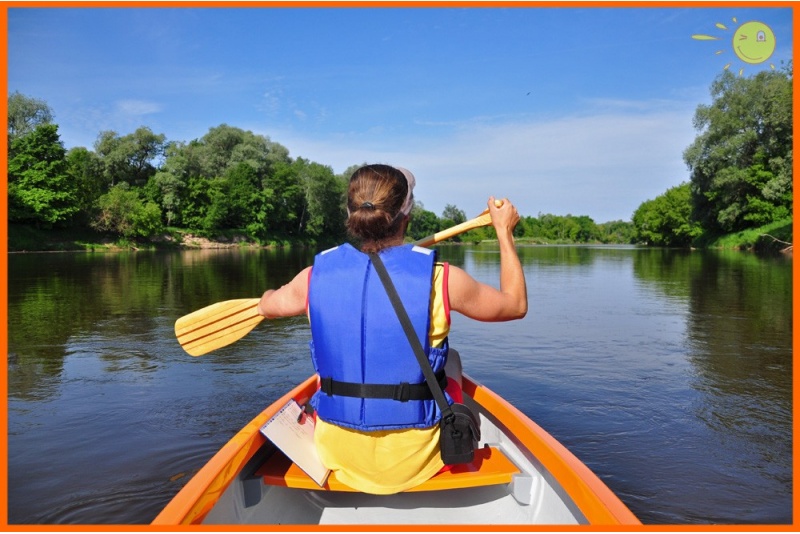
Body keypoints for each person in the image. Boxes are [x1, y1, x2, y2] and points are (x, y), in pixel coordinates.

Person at [257, 164, 527, 494]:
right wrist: (504, 232)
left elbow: (268, 306)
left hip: (337, 454)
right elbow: (514, 305)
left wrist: (266, 298)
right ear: (406, 216)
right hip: (417, 461)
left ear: (350, 213)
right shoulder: (441, 278)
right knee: (450, 358)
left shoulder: (311, 278)